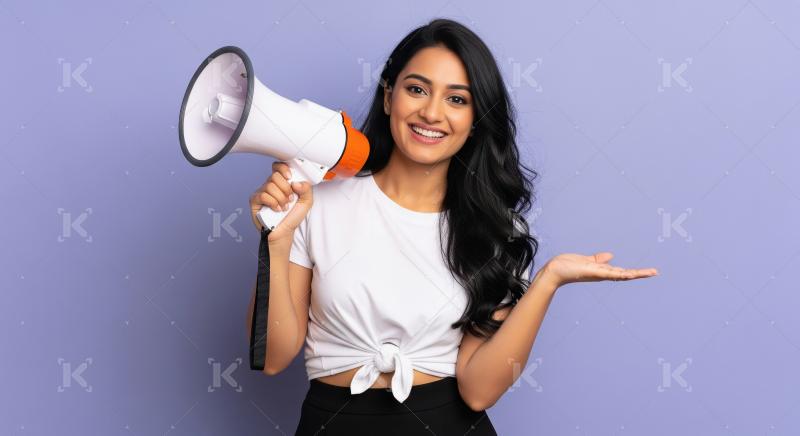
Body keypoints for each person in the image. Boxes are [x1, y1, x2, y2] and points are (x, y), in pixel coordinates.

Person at [246, 18, 658, 436]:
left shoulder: (497, 230)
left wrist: (548, 280)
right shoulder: (317, 204)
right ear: (389, 97)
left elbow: (478, 391)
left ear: (477, 119)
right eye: (417, 89)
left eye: (457, 99)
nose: (431, 112)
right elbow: (274, 358)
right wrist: (275, 244)